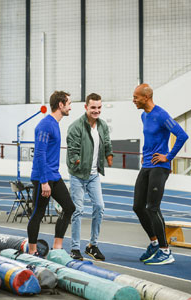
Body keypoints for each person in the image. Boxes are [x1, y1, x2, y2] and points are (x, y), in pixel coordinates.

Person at [132, 83, 188, 265]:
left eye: (136, 97)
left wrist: (168, 156)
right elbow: (150, 138)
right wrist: (144, 153)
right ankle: (154, 243)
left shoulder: (161, 115)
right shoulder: (143, 115)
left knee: (152, 208)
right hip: (147, 165)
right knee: (138, 206)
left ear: (146, 97)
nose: (133, 100)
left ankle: (166, 251)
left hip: (159, 167)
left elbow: (182, 135)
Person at [27, 91, 76, 256]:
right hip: (43, 177)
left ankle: (57, 247)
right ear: (61, 105)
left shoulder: (55, 124)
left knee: (69, 207)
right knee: (38, 213)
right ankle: (32, 251)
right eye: (69, 103)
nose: (70, 107)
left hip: (54, 175)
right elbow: (39, 154)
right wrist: (44, 182)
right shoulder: (45, 125)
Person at [67, 93, 113, 261]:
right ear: (86, 107)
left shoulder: (102, 126)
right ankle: (75, 248)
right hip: (78, 175)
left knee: (99, 207)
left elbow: (107, 142)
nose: (96, 111)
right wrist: (77, 162)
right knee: (78, 211)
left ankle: (92, 245)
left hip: (94, 175)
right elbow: (72, 151)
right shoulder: (76, 127)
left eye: (99, 107)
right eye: (93, 107)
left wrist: (109, 154)